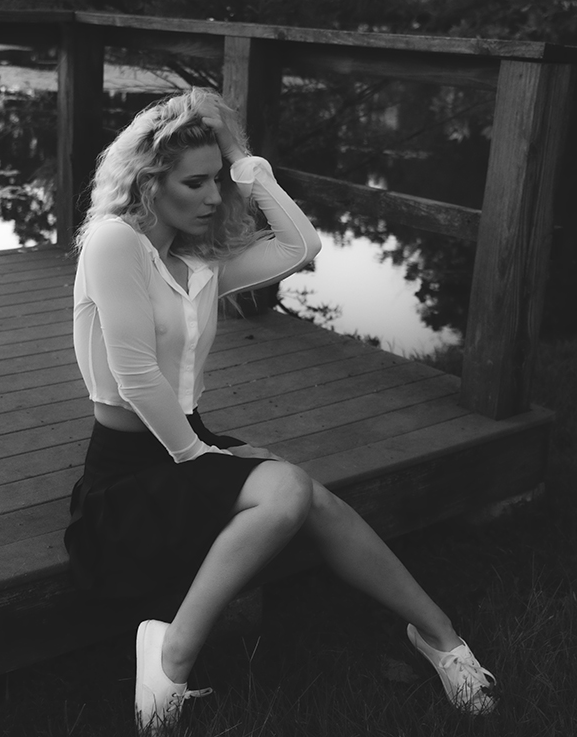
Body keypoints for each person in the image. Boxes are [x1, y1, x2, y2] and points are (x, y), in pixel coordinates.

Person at [64, 88, 497, 734]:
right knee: (289, 488)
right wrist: (198, 457)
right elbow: (133, 375)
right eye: (195, 182)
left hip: (185, 441)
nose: (214, 197)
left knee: (312, 499)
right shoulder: (113, 243)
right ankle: (171, 652)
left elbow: (300, 246)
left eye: (217, 180)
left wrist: (248, 166)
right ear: (149, 183)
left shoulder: (198, 260)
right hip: (129, 470)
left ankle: (442, 640)